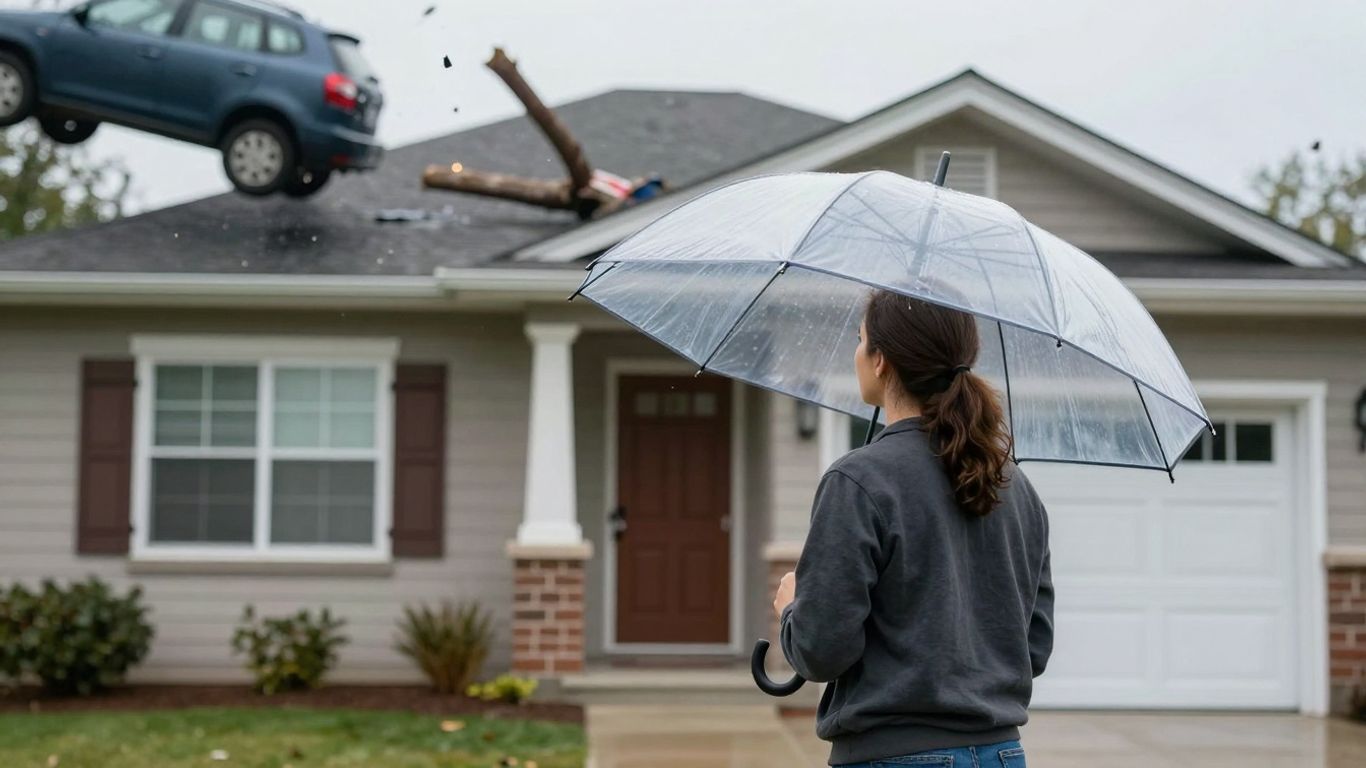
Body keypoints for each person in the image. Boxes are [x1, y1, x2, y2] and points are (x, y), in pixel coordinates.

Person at [773, 290, 1053, 768]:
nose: (857, 353)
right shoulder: (1015, 486)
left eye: (860, 340)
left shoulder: (859, 480)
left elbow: (821, 651)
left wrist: (792, 611)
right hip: (1002, 754)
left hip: (894, 755)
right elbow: (1034, 647)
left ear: (881, 360)